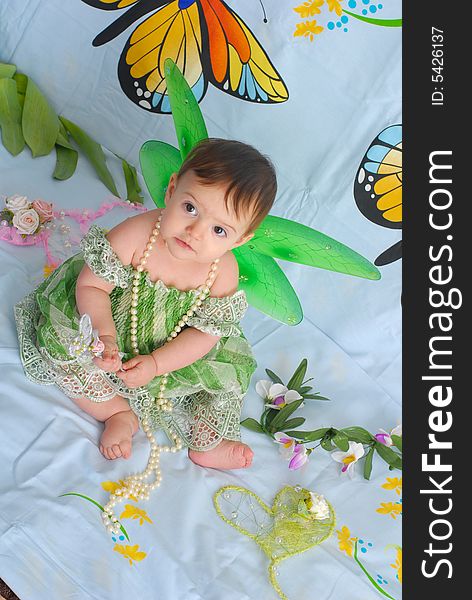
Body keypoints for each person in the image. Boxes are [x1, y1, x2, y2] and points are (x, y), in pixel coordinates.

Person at [15, 138, 277, 470]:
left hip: (172, 348)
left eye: (219, 230)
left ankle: (205, 440)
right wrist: (104, 335)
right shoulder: (136, 235)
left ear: (240, 240)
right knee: (60, 345)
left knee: (221, 380)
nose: (195, 231)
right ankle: (116, 411)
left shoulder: (222, 273)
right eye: (190, 208)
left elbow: (203, 335)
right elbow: (92, 285)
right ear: (172, 191)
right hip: (106, 324)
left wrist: (156, 364)